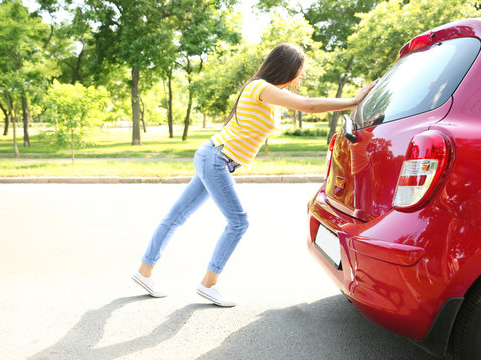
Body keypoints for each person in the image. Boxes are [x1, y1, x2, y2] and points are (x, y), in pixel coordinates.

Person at [132, 43, 377, 307]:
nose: (302, 76)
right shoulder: (261, 88)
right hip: (216, 157)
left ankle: (144, 272)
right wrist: (354, 100)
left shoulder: (267, 91)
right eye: (300, 70)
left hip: (215, 157)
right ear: (288, 67)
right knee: (238, 222)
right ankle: (208, 284)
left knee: (177, 216)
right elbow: (308, 105)